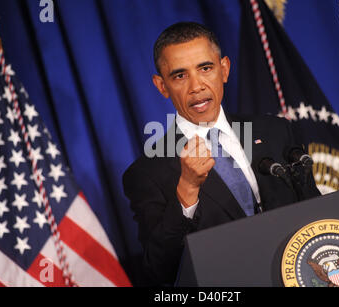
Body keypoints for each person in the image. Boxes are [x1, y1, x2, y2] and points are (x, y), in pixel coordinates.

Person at [123, 22, 320, 286]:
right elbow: (161, 270)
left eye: (205, 68)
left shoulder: (275, 131)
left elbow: (315, 215)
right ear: (162, 86)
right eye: (180, 76)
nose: (196, 86)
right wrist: (186, 192)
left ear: (224, 69)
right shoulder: (148, 172)